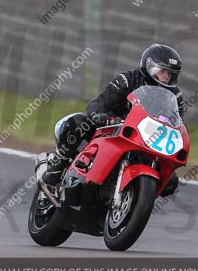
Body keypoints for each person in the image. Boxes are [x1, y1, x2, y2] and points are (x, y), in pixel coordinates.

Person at [41, 44, 186, 198]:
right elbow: (99, 103)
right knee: (78, 123)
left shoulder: (175, 96)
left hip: (145, 139)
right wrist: (101, 116)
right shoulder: (127, 80)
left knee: (171, 182)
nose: (166, 77)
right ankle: (56, 168)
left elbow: (176, 123)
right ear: (149, 65)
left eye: (170, 73)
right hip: (112, 128)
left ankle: (134, 196)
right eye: (162, 71)